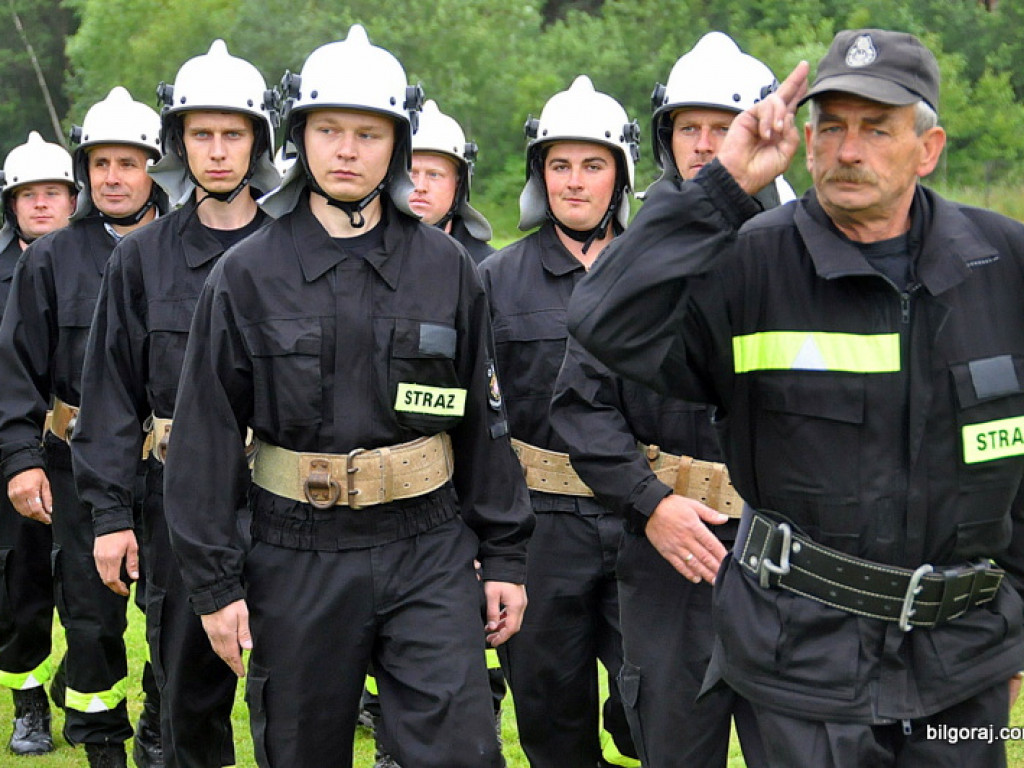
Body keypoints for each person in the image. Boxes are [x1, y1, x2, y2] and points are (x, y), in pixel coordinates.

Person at [569, 27, 1024, 767]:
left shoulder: (1001, 262)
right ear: (805, 139)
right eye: (831, 127)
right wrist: (719, 186)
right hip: (799, 662)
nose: (849, 150)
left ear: (928, 148)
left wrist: (1013, 623)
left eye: (877, 129)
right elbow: (602, 322)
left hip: (962, 665)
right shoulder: (748, 262)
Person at [161, 25, 533, 768]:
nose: (347, 150)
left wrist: (508, 558)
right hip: (296, 551)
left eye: (369, 133)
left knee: (460, 751)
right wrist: (213, 588)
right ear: (300, 136)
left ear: (397, 144)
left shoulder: (448, 268)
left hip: (425, 547)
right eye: (329, 129)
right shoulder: (245, 275)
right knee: (301, 749)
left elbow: (481, 424)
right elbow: (203, 440)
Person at [550, 32, 786, 768]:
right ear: (666, 137)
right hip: (669, 555)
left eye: (724, 127)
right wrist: (650, 503)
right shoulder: (635, 258)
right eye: (690, 128)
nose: (706, 145)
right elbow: (579, 405)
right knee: (674, 749)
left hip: (793, 559)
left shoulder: (809, 252)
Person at [70, 40, 279, 768]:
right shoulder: (141, 258)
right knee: (188, 701)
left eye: (232, 134)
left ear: (259, 142)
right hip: (177, 509)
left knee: (291, 701)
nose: (217, 152)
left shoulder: (297, 251)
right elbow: (109, 397)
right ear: (177, 143)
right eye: (200, 135)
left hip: (290, 507)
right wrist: (108, 517)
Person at [0, 86, 166, 768]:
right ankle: (101, 748)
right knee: (90, 621)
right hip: (75, 471)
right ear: (86, 172)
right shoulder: (48, 260)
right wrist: (20, 458)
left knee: (175, 614)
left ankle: (162, 729)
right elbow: (17, 368)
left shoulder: (188, 248)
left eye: (128, 163)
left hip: (171, 473)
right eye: (101, 164)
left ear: (157, 165)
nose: (113, 178)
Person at [478, 75, 640, 768]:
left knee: (657, 712)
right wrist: (486, 541)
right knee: (550, 718)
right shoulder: (494, 279)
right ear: (539, 175)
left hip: (643, 522)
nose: (574, 183)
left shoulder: (656, 272)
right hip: (539, 528)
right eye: (559, 165)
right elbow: (478, 422)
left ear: (623, 174)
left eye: (593, 165)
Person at [0, 130, 76, 755]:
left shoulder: (108, 261)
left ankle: (78, 681)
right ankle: (28, 706)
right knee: (19, 587)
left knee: (93, 584)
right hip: (12, 450)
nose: (42, 204)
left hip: (84, 450)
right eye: (29, 195)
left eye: (53, 192)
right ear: (12, 204)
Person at [409, 99, 495, 263]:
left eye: (434, 175)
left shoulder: (487, 270)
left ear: (459, 184)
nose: (420, 187)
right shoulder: (363, 256)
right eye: (411, 173)